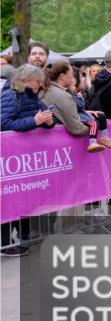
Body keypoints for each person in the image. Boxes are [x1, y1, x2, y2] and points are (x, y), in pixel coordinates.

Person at [1, 64, 56, 256]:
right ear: (25, 80)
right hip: (12, 158)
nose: (40, 85)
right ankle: (6, 243)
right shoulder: (10, 95)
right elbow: (4, 123)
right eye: (37, 81)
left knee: (24, 200)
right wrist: (35, 122)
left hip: (27, 158)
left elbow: (43, 115)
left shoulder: (32, 95)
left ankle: (22, 237)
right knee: (10, 201)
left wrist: (49, 122)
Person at [42, 62, 111, 152]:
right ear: (62, 76)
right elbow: (76, 128)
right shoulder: (63, 95)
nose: (73, 77)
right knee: (95, 121)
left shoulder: (48, 89)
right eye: (72, 74)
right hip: (65, 147)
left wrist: (85, 113)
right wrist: (95, 127)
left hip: (54, 144)